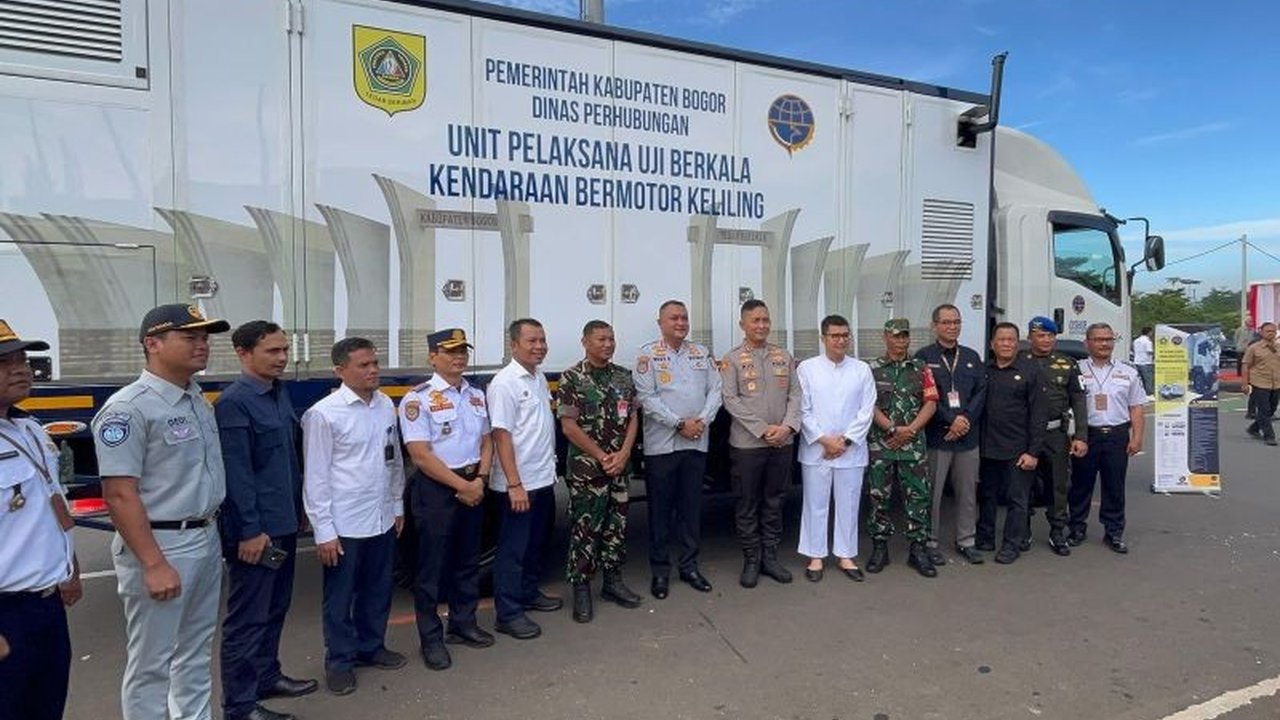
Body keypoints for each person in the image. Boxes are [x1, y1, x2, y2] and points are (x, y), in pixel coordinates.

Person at [93, 303, 230, 720]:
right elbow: (119, 494)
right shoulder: (128, 408)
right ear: (153, 344)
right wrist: (153, 564)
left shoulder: (194, 398)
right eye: (190, 337)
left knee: (193, 651)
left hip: (205, 536)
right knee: (152, 662)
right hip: (162, 543)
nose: (202, 346)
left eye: (205, 338)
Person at [217, 322, 316, 720]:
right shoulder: (234, 402)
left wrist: (302, 510)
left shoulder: (277, 392)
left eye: (284, 350)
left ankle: (266, 677)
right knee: (247, 619)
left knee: (276, 608)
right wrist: (249, 530)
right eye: (272, 351)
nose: (282, 358)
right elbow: (237, 475)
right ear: (243, 353)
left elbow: (288, 461)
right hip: (258, 532)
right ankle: (239, 707)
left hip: (285, 523)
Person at [302, 337, 407, 696]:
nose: (372, 370)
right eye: (363, 365)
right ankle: (340, 661)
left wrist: (397, 505)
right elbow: (315, 477)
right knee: (340, 596)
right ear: (340, 370)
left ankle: (371, 646)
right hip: (344, 522)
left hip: (380, 515)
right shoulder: (323, 414)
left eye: (374, 363)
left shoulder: (385, 406)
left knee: (377, 589)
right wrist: (323, 531)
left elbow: (392, 461)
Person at [398, 328, 494, 670]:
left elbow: (487, 441)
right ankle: (431, 639)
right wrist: (461, 485)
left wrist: (480, 479)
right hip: (438, 488)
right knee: (431, 568)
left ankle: (464, 624)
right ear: (432, 357)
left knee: (467, 560)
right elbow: (421, 455)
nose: (459, 357)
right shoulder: (417, 399)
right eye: (450, 351)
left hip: (472, 482)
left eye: (463, 351)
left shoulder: (475, 394)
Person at [0, 321, 81, 720]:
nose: (20, 369)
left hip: (47, 606)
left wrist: (71, 567)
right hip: (6, 613)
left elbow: (52, 501)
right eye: (3, 362)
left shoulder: (28, 428)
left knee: (46, 709)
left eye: (21, 359)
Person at [635, 300, 723, 599]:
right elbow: (646, 397)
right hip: (662, 446)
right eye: (673, 318)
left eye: (684, 318)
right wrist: (678, 423)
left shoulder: (701, 353)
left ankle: (689, 567)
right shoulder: (648, 355)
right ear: (659, 321)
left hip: (696, 441)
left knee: (690, 510)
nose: (680, 323)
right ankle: (660, 572)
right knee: (660, 512)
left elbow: (716, 390)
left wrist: (702, 420)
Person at [556, 320, 643, 623]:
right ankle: (581, 588)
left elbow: (633, 418)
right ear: (585, 342)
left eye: (611, 339)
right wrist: (603, 456)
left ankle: (613, 582)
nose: (607, 344)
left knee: (616, 525)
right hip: (587, 470)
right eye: (601, 339)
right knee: (586, 529)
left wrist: (624, 453)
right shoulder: (572, 378)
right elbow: (568, 426)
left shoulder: (623, 376)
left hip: (619, 467)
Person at [488, 318, 561, 640]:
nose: (539, 346)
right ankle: (508, 612)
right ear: (513, 344)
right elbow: (501, 437)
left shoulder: (538, 377)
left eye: (542, 340)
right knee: (512, 550)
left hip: (542, 478)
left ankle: (529, 593)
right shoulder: (505, 383)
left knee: (536, 543)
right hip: (519, 484)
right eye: (532, 341)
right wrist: (514, 484)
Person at [720, 300, 801, 588]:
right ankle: (752, 559)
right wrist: (763, 429)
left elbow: (796, 395)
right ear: (743, 324)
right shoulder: (731, 359)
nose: (762, 325)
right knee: (747, 503)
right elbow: (730, 399)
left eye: (765, 320)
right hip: (748, 445)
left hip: (782, 443)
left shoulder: (783, 356)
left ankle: (770, 557)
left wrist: (788, 427)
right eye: (755, 320)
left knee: (775, 500)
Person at [795, 314, 876, 582]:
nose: (841, 340)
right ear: (823, 338)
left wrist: (846, 440)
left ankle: (845, 555)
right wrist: (824, 440)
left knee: (848, 503)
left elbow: (867, 410)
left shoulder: (861, 369)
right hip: (817, 449)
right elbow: (802, 409)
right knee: (815, 503)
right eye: (835, 336)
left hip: (850, 450)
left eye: (845, 335)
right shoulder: (807, 368)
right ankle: (815, 555)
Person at [865, 318, 939, 578]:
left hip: (913, 444)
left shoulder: (921, 368)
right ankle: (880, 547)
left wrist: (911, 431)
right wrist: (892, 429)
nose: (900, 341)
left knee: (918, 496)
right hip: (882, 443)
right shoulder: (871, 369)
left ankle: (917, 549)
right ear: (885, 337)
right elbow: (868, 405)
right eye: (895, 336)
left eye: (904, 336)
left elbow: (930, 402)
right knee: (878, 497)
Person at [914, 303, 987, 565]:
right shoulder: (923, 357)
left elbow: (981, 393)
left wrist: (965, 420)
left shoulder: (971, 356)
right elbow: (925, 397)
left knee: (967, 493)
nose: (952, 326)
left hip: (967, 439)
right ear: (935, 325)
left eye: (956, 322)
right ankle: (930, 541)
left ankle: (966, 540)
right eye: (946, 322)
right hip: (938, 437)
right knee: (931, 492)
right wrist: (951, 420)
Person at [1068, 323, 1147, 554]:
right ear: (1087, 342)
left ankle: (1113, 532)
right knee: (1080, 486)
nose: (1105, 344)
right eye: (1099, 339)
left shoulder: (1129, 372)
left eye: (1109, 339)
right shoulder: (1077, 370)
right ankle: (1076, 528)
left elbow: (1136, 408)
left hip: (1116, 436)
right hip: (1086, 436)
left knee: (1114, 486)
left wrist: (1137, 438)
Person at [974, 323, 1047, 565]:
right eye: (1002, 339)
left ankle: (1012, 544)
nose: (1006, 344)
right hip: (987, 447)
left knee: (1017, 500)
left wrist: (1033, 451)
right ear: (992, 344)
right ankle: (985, 537)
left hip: (1019, 450)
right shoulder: (984, 370)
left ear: (1018, 343)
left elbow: (1039, 414)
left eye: (1011, 339)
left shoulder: (1030, 371)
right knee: (987, 496)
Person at [1020, 317, 1088, 556]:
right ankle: (1023, 530)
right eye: (1040, 335)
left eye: (1050, 335)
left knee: (1058, 484)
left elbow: (1079, 400)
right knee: (1023, 485)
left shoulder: (1067, 363)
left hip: (1055, 434)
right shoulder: (1019, 361)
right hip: (1025, 435)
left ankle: (1057, 531)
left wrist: (1081, 435)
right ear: (1030, 337)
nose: (1046, 340)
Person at [1243, 322, 1280, 446]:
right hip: (1259, 382)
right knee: (1264, 409)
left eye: (1273, 331)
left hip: (1276, 383)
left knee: (1272, 408)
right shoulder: (1254, 348)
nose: (1271, 333)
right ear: (1261, 332)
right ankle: (1269, 436)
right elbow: (1245, 365)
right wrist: (1244, 383)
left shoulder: (1278, 347)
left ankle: (1254, 428)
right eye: (1268, 331)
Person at [1132, 326, 1155, 396]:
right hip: (1146, 362)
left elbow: (1133, 350)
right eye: (1151, 332)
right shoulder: (1148, 341)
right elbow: (1149, 351)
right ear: (1149, 332)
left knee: (1140, 380)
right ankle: (1149, 394)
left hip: (1137, 362)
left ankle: (1140, 395)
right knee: (1148, 380)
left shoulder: (1136, 341)